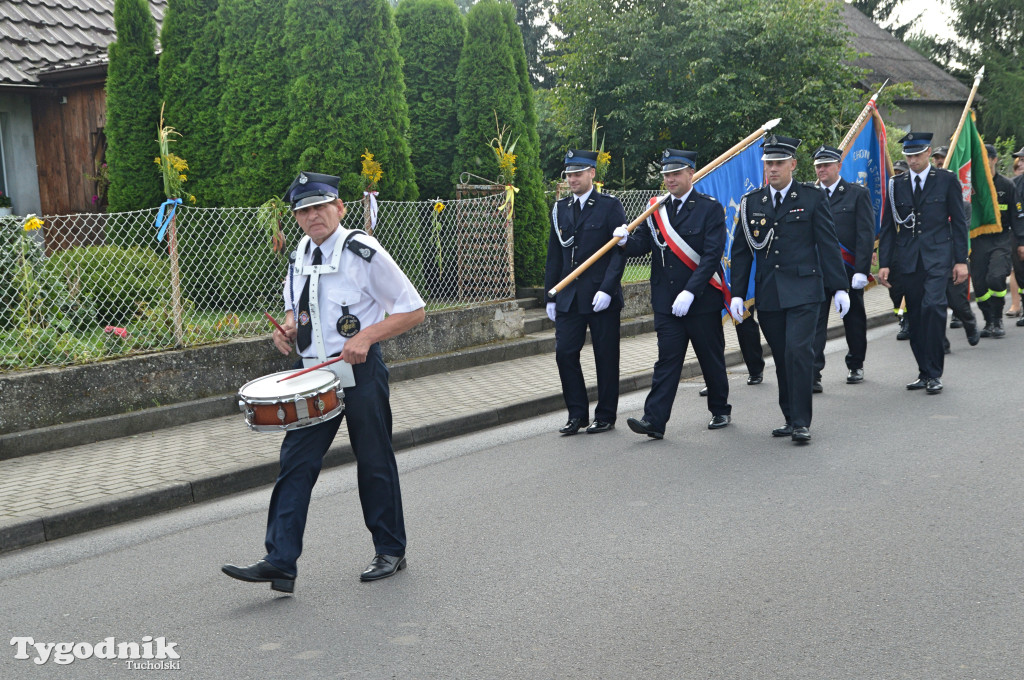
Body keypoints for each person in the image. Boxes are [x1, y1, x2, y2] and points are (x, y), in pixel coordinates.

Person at [223, 172, 426, 593]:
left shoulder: (361, 251)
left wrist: (367, 336)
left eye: (320, 207)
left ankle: (390, 550)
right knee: (294, 465)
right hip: (313, 377)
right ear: (296, 217)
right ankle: (280, 561)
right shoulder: (299, 254)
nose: (313, 216)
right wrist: (286, 332)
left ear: (340, 208)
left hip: (362, 373)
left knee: (373, 461)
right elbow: (301, 315)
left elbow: (413, 310)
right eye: (303, 211)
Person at [730, 135, 849, 443]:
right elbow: (742, 252)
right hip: (769, 294)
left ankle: (801, 421)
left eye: (778, 163)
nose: (772, 169)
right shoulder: (752, 202)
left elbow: (827, 243)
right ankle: (789, 416)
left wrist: (839, 287)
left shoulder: (811, 198)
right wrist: (737, 294)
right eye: (768, 163)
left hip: (806, 290)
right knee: (782, 358)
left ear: (793, 165)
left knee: (798, 352)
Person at [612, 149, 732, 438]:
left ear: (691, 173)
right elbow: (644, 246)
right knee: (666, 361)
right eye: (666, 174)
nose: (670, 179)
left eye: (676, 173)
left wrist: (691, 292)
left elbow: (712, 256)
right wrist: (625, 241)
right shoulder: (655, 209)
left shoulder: (709, 208)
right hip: (666, 302)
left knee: (710, 358)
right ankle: (654, 420)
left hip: (700, 301)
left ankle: (719, 409)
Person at [544, 150, 628, 435]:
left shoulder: (609, 206)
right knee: (565, 354)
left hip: (600, 297)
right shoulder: (560, 209)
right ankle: (577, 414)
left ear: (592, 173)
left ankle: (605, 415)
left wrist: (608, 289)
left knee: (605, 356)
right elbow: (555, 256)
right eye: (568, 174)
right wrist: (550, 296)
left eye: (578, 173)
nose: (572, 179)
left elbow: (618, 253)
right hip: (569, 297)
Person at [878, 133, 969, 394]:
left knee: (933, 307)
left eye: (917, 155)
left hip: (938, 255)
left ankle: (935, 372)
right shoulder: (897, 184)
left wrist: (961, 261)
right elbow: (888, 227)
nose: (913, 160)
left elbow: (959, 223)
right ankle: (924, 371)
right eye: (909, 155)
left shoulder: (946, 180)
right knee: (915, 316)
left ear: (928, 153)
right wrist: (885, 262)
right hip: (908, 258)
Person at [810, 145, 876, 389]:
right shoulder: (808, 194)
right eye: (818, 165)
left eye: (826, 165)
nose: (822, 169)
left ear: (839, 166)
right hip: (816, 271)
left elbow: (865, 234)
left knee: (854, 319)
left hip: (848, 271)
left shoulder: (856, 194)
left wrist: (861, 269)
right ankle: (813, 372)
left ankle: (856, 364)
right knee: (815, 323)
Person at [971, 145, 1024, 337]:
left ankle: (997, 319)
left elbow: (1018, 216)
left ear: (994, 160)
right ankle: (988, 321)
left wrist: (1021, 242)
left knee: (995, 277)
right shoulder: (972, 186)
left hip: (1001, 240)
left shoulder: (1007, 185)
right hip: (977, 241)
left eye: (986, 158)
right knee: (979, 285)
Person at [930, 146, 978, 343]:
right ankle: (941, 341)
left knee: (957, 302)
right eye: (937, 159)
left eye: (942, 158)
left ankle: (969, 322)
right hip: (933, 260)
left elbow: (959, 231)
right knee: (935, 303)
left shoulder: (964, 206)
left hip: (953, 258)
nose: (939, 161)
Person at [890, 159, 911, 340]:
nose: (898, 175)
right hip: (894, 248)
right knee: (895, 288)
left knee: (909, 285)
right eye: (895, 173)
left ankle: (908, 321)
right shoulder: (890, 192)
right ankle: (901, 316)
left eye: (901, 173)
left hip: (911, 245)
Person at [1010, 146, 1024, 322]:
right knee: (1020, 272)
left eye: (1023, 159)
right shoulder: (1014, 184)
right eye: (1019, 160)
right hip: (1018, 234)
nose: (1020, 162)